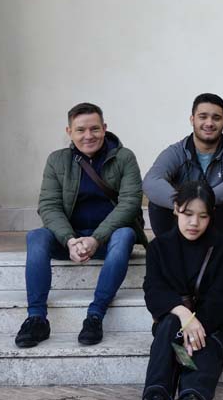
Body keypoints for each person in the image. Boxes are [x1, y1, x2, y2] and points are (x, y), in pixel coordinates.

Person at [15, 102, 145, 349]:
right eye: (80, 130)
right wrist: (69, 240)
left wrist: (97, 238)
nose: (88, 136)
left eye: (94, 129)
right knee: (36, 237)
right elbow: (49, 205)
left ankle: (95, 315)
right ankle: (36, 318)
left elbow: (130, 203)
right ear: (69, 132)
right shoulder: (57, 160)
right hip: (71, 240)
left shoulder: (124, 157)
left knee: (125, 235)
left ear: (104, 128)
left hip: (108, 239)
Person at [137, 181, 223, 400]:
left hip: (218, 323)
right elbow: (153, 291)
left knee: (205, 343)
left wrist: (196, 327)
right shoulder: (159, 247)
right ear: (176, 209)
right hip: (176, 327)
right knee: (170, 327)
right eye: (188, 214)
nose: (194, 223)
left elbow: (221, 296)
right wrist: (185, 316)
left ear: (211, 215)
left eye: (202, 216)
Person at [143, 93, 223, 249]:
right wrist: (181, 204)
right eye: (203, 117)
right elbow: (151, 181)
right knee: (157, 203)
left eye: (216, 118)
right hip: (184, 225)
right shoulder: (176, 151)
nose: (209, 123)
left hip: (220, 227)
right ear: (192, 119)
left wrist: (205, 201)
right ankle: (171, 250)